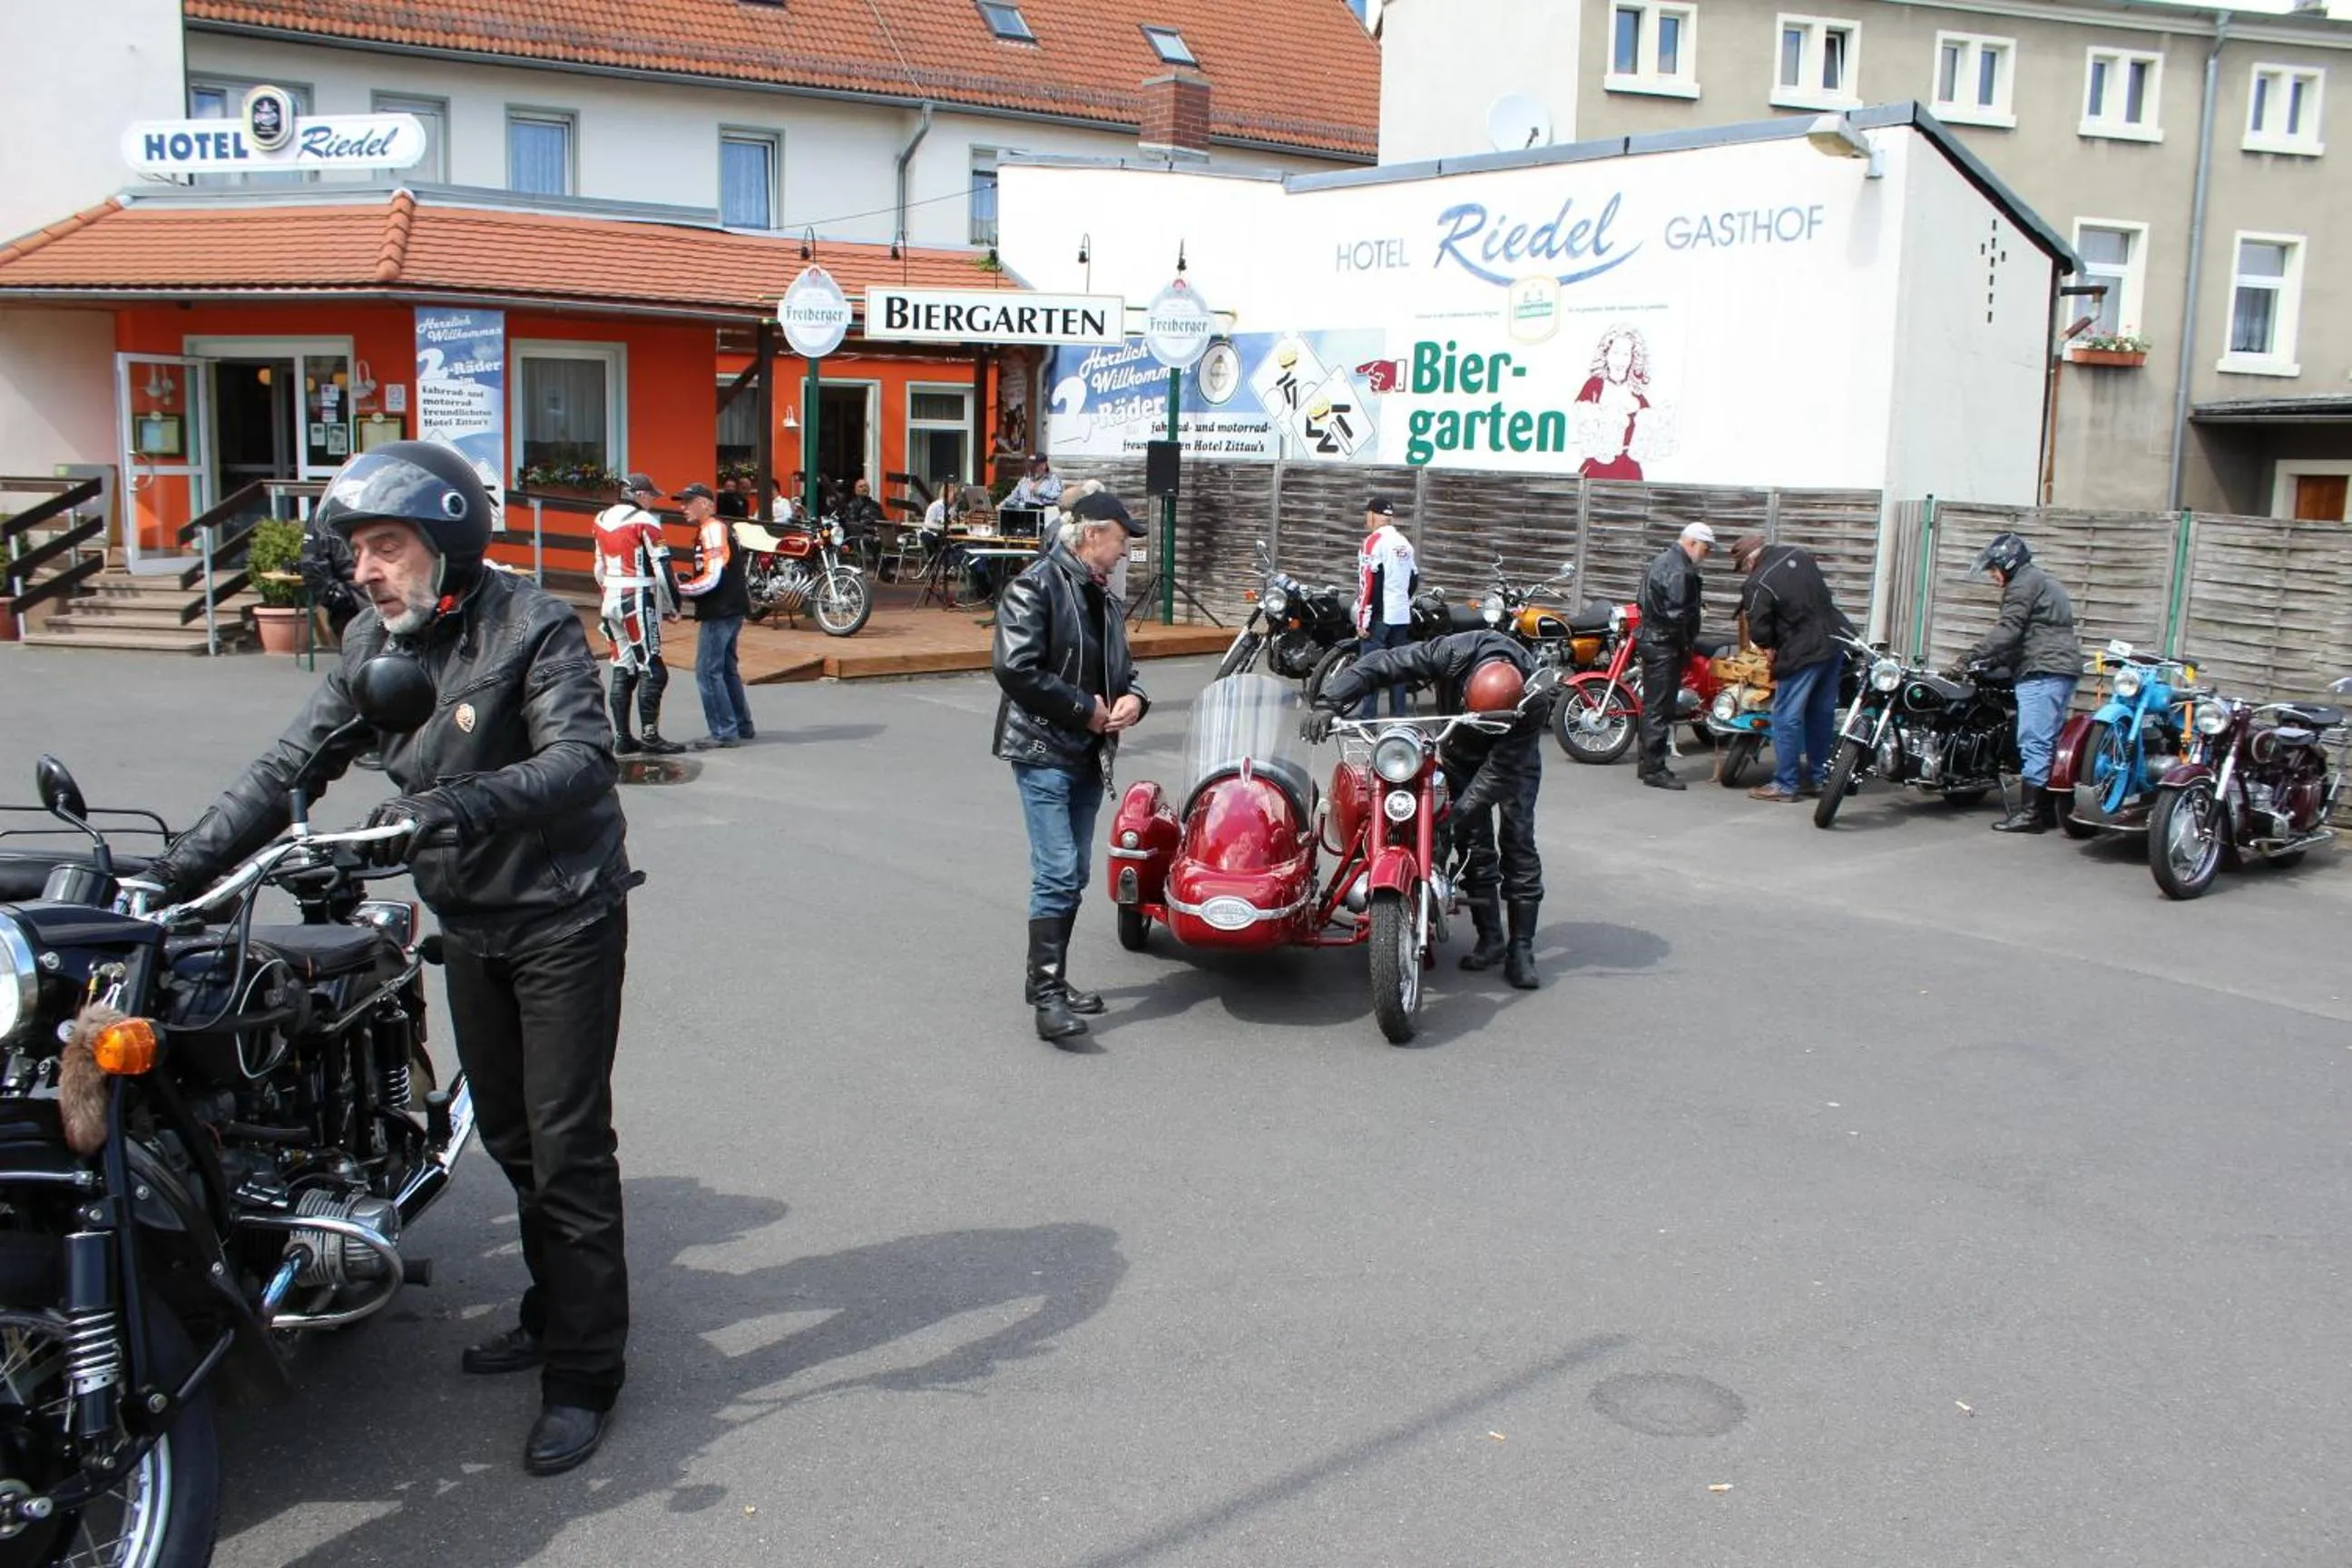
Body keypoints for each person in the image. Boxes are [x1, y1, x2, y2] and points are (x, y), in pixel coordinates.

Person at [141, 441, 636, 1477]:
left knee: (568, 1145)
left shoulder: (531, 624)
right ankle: (553, 1313)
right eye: (356, 550)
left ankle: (586, 1374)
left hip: (561, 915)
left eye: (386, 546)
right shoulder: (375, 638)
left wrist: (446, 805)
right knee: (507, 1136)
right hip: (474, 915)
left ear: (446, 543)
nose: (364, 569)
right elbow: (293, 761)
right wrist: (171, 875)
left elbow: (582, 763)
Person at [991, 490, 1151, 1048]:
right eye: (1122, 540)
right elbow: (1014, 669)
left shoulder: (1101, 598)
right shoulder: (1033, 586)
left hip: (1085, 754)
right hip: (1042, 751)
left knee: (1074, 873)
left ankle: (1051, 980)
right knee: (1058, 872)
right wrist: (1086, 710)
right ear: (1091, 534)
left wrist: (1135, 700)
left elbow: (1123, 673)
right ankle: (1047, 998)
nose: (1126, 551)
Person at [1304, 630, 1546, 989]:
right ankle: (1491, 939)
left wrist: (1454, 816)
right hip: (1460, 749)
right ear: (1466, 693)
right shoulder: (1450, 653)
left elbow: (1499, 772)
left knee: (1518, 841)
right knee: (1474, 845)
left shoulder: (1534, 697)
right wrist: (1330, 701)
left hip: (1512, 760)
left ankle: (1521, 948)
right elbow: (1383, 663)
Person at [1958, 531, 2082, 834]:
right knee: (2047, 740)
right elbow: (2033, 633)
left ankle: (2031, 814)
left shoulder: (2023, 584)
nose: (1992, 576)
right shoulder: (2040, 580)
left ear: (2007, 564)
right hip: (2057, 667)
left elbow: (2010, 630)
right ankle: (2047, 810)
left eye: (1993, 570)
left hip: (2042, 670)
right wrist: (1994, 661)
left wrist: (1969, 657)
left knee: (2034, 741)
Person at [1730, 533, 1853, 802]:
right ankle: (1819, 777)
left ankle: (1785, 783)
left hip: (1801, 651)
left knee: (1786, 716)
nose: (1746, 572)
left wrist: (1771, 647)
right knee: (1821, 713)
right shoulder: (1799, 554)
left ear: (1750, 560)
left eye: (1744, 567)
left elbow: (1760, 630)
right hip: (1834, 640)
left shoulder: (1758, 581)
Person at [593, 474, 683, 756]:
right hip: (637, 596)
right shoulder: (647, 521)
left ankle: (622, 736)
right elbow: (662, 567)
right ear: (640, 495)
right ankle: (650, 736)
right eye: (651, 495)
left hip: (610, 596)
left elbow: (598, 566)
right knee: (653, 669)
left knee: (623, 668)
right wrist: (674, 605)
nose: (652, 500)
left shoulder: (600, 519)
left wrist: (608, 589)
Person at [673, 482, 755, 750]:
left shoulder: (711, 529)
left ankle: (723, 731)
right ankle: (741, 725)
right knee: (726, 669)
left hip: (720, 609)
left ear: (706, 503)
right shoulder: (711, 530)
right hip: (728, 607)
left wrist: (680, 589)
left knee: (708, 671)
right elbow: (711, 572)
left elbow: (713, 577)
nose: (682, 507)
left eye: (688, 501)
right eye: (682, 502)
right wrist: (691, 580)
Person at [1635, 522, 1713, 789]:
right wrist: (1685, 644)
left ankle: (1647, 764)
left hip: (1651, 639)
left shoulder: (1661, 561)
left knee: (1652, 706)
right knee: (1660, 708)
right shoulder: (1680, 570)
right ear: (1693, 543)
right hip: (1664, 644)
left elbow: (1642, 600)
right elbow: (1678, 615)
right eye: (1706, 548)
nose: (1707, 554)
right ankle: (1654, 769)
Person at [1353, 496, 1417, 719]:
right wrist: (1401, 600)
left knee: (1370, 670)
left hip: (1379, 617)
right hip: (1401, 615)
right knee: (1397, 672)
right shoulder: (1404, 543)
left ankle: (1367, 722)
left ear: (1372, 515)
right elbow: (1413, 579)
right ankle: (1398, 721)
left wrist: (1362, 620)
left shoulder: (1373, 541)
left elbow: (1368, 583)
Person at [297, 514, 363, 637]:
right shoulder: (324, 512)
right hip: (350, 607)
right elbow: (311, 566)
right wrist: (337, 597)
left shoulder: (377, 503)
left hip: (379, 601)